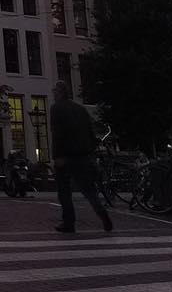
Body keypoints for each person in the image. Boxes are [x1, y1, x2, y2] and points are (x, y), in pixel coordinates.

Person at [50, 80, 113, 233]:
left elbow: (57, 133)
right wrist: (90, 151)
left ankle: (69, 222)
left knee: (64, 191)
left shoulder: (56, 109)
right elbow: (90, 132)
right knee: (89, 190)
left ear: (59, 93)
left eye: (55, 91)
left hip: (66, 156)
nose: (53, 93)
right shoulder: (81, 109)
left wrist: (57, 155)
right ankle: (102, 214)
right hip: (83, 156)